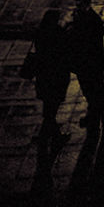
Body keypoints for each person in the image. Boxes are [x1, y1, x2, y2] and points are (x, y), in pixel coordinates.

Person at [69, 0, 104, 144]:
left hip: (91, 62)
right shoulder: (82, 17)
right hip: (84, 62)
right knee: (89, 90)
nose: (77, 6)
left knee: (96, 90)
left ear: (86, 3)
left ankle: (103, 118)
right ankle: (97, 115)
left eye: (80, 3)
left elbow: (87, 38)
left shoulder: (91, 20)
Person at [32, 9, 71, 142]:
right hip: (57, 75)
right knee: (51, 109)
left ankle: (49, 136)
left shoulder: (40, 33)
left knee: (49, 107)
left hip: (43, 76)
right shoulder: (58, 33)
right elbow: (65, 49)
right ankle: (51, 137)